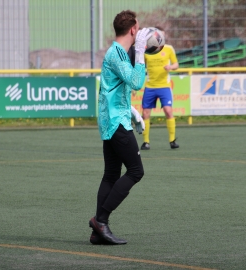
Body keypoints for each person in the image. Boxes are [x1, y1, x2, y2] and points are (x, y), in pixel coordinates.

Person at [88, 10, 151, 245]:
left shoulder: (118, 54)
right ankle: (100, 220)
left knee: (111, 174)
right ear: (133, 29)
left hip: (114, 118)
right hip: (115, 123)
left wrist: (132, 111)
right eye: (139, 28)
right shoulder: (117, 53)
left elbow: (115, 89)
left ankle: (98, 232)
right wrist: (142, 52)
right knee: (136, 171)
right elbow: (136, 82)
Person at [140, 26, 180, 150]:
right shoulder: (148, 50)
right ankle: (146, 142)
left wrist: (171, 67)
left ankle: (172, 140)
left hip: (164, 87)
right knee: (145, 114)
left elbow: (176, 64)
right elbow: (141, 65)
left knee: (168, 111)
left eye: (163, 35)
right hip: (150, 86)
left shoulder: (168, 49)